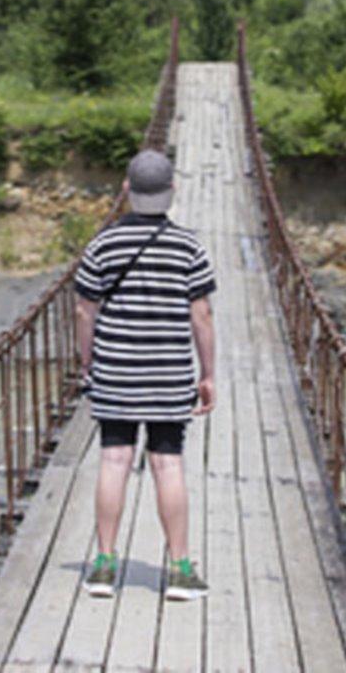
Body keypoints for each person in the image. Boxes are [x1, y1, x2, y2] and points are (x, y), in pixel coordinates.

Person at [73, 148, 216, 601]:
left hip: (115, 367)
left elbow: (83, 308)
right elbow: (203, 314)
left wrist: (87, 360)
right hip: (170, 371)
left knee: (113, 459)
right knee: (167, 462)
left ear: (126, 191)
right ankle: (179, 569)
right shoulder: (189, 246)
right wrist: (208, 373)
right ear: (173, 192)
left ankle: (103, 565)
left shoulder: (102, 243)